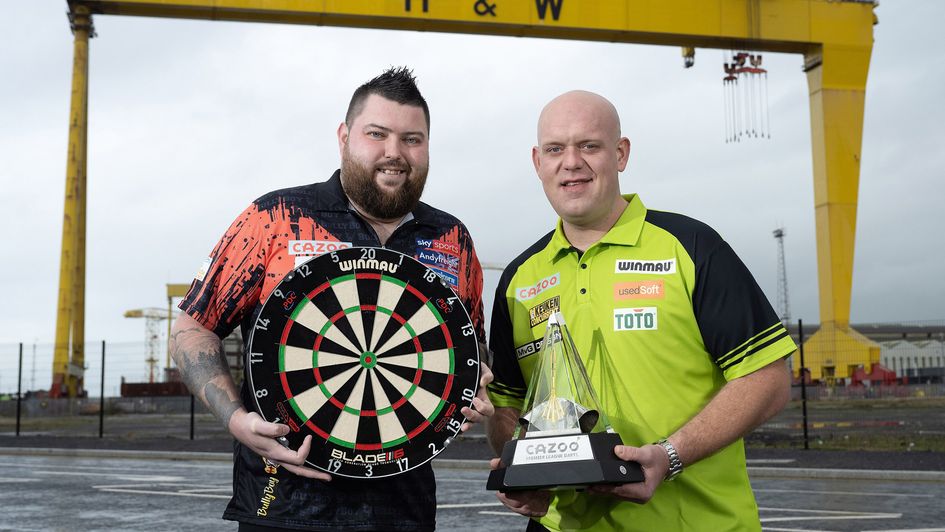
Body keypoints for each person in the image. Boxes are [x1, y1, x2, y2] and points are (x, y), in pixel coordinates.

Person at [170, 67, 494, 532]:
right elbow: (191, 328)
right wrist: (237, 421)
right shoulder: (277, 217)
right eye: (376, 134)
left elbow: (470, 353)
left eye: (412, 139)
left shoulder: (450, 238)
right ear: (344, 136)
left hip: (405, 512)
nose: (394, 153)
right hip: (282, 507)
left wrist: (471, 389)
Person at [486, 90, 797, 531]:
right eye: (555, 149)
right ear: (538, 161)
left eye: (589, 145)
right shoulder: (519, 279)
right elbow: (507, 408)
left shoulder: (690, 247)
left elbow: (769, 378)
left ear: (621, 153)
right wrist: (519, 472)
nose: (571, 162)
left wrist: (669, 457)